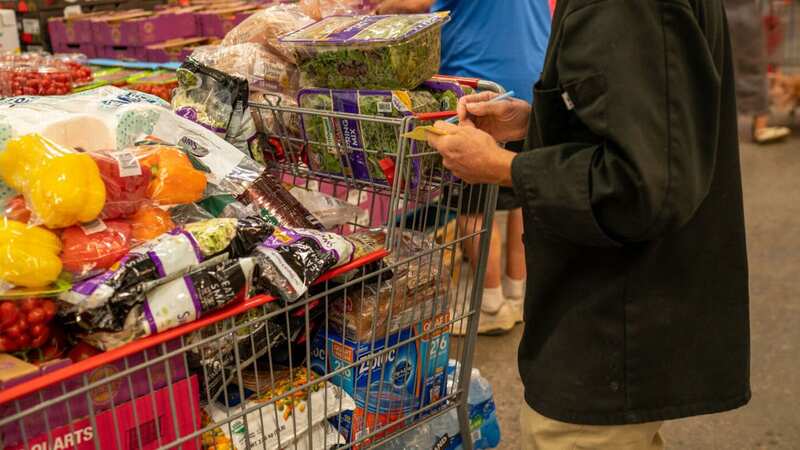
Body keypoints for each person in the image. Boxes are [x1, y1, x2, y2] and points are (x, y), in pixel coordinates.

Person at [426, 1, 750, 449]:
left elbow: (639, 187)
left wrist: (502, 167)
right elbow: (646, 122)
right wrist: (534, 124)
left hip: (614, 328)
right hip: (629, 316)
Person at [375, 0, 551, 334]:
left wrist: (379, 7)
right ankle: (517, 294)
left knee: (472, 206)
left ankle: (490, 303)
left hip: (479, 85)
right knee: (518, 193)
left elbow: (417, 3)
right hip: (531, 79)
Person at [725, 0, 791, 143]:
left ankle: (719, 128)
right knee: (754, 65)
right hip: (749, 11)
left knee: (722, 62)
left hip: (719, 10)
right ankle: (760, 127)